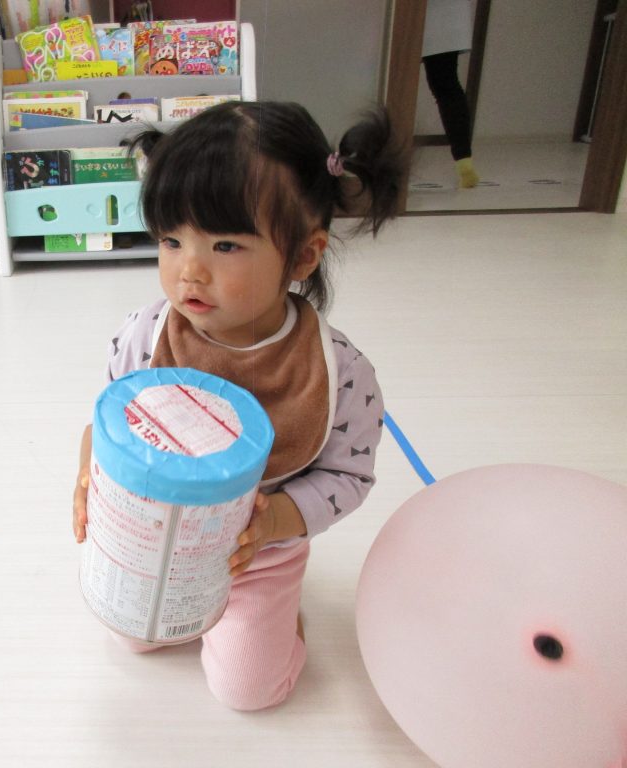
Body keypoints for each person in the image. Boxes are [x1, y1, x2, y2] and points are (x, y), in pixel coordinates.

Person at [71, 101, 406, 711]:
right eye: (172, 240)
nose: (189, 271)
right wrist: (88, 478)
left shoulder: (337, 373)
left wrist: (276, 522)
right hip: (153, 539)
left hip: (255, 554)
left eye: (225, 245)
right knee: (132, 638)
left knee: (249, 693)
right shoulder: (148, 334)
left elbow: (348, 476)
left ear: (302, 256)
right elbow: (108, 423)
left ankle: (284, 620)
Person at [422, 0, 480, 188]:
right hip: (448, 18)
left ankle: (380, 161)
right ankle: (464, 162)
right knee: (447, 86)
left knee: (395, 83)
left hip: (419, 14)